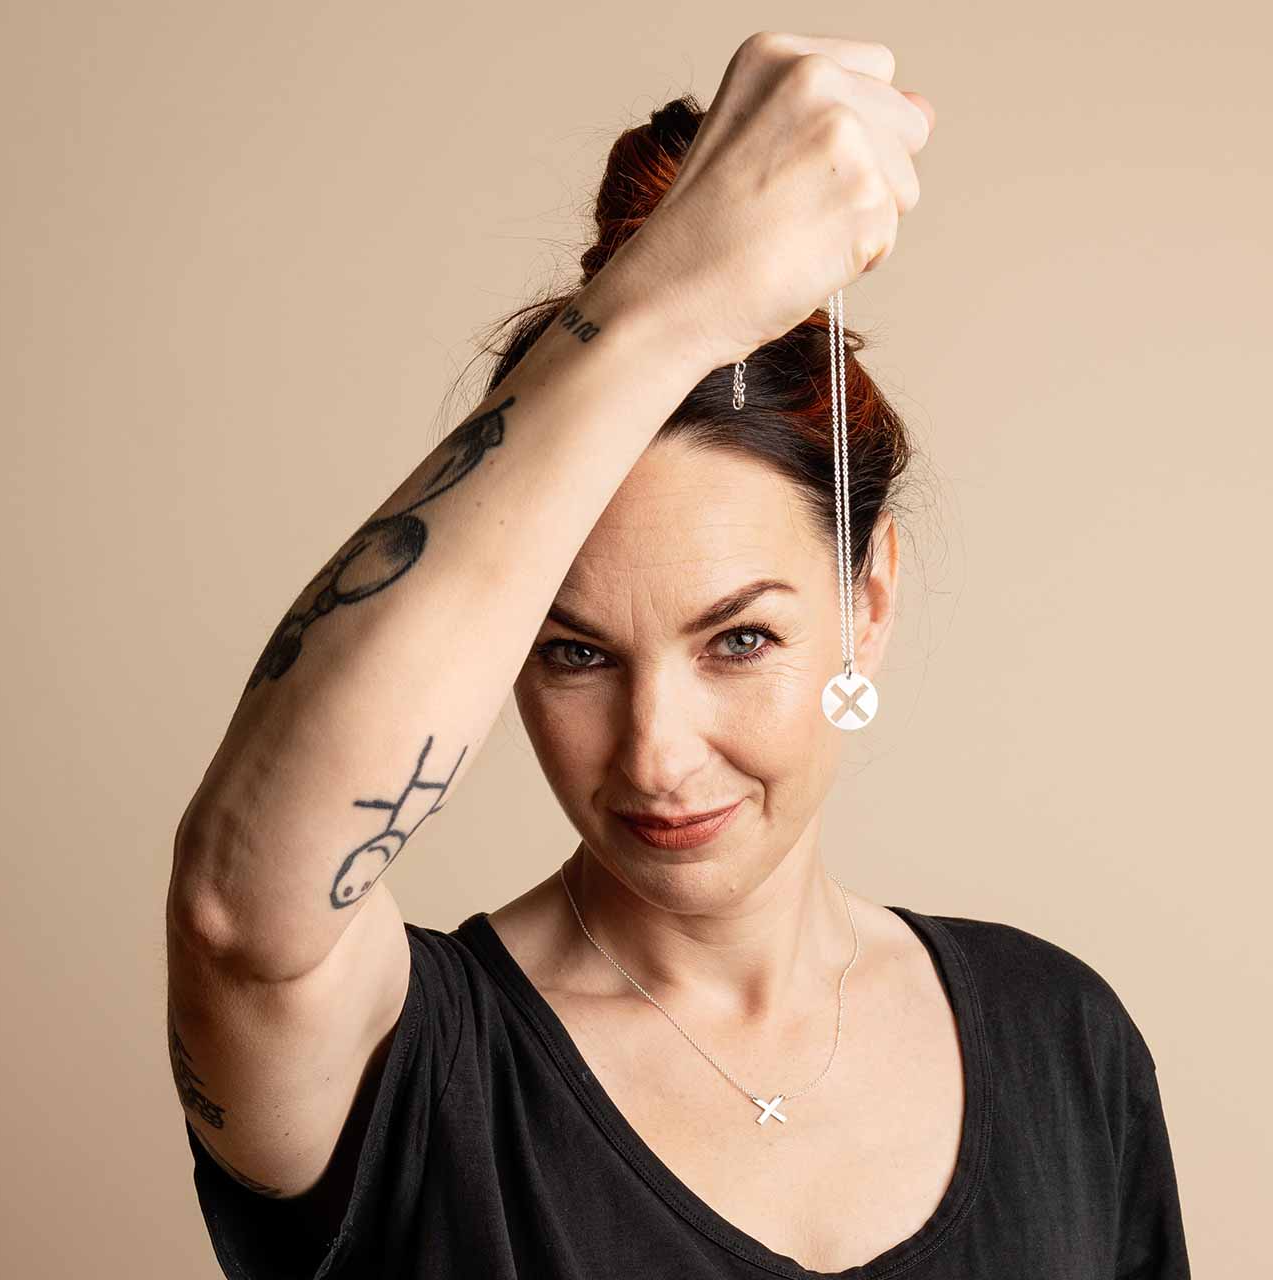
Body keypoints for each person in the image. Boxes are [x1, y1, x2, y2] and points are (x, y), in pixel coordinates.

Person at [166, 31, 1190, 1280]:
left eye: (739, 638)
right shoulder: (409, 1076)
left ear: (867, 600)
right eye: (573, 652)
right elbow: (237, 913)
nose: (654, 753)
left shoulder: (1064, 1043)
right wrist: (667, 304)